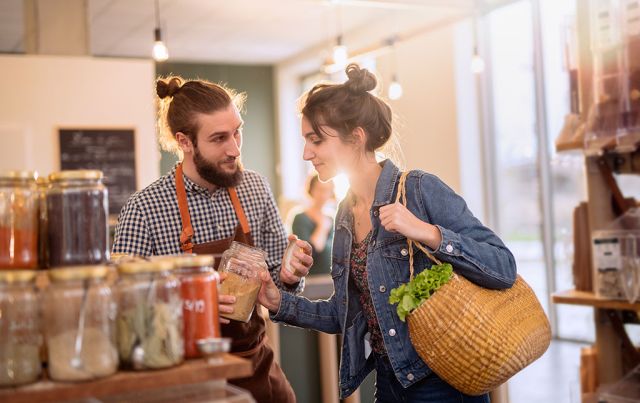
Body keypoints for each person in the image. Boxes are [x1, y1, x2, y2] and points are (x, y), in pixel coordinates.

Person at [256, 64, 517, 402]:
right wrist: (280, 302)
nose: (307, 153)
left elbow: (503, 266)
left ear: (356, 136)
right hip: (390, 385)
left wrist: (426, 232)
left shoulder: (420, 189)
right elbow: (344, 313)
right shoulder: (345, 214)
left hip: (444, 386)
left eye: (315, 140)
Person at [112, 76, 313, 403]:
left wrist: (289, 275)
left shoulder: (255, 189)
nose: (234, 148)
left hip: (255, 365)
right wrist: (190, 303)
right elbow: (122, 308)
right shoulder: (144, 209)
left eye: (238, 131)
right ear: (185, 141)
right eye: (219, 138)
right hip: (184, 377)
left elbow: (277, 279)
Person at [291, 174, 335, 275]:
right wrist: (322, 226)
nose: (323, 194)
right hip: (310, 279)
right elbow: (310, 253)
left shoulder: (332, 219)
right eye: (319, 189)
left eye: (327, 190)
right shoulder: (300, 218)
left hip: (330, 278)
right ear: (311, 190)